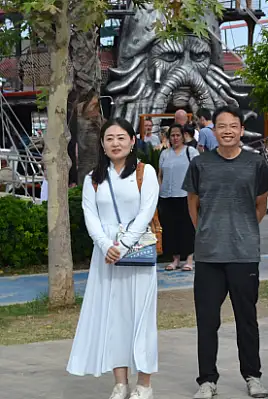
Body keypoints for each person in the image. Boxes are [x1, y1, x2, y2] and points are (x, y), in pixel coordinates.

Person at [183, 105, 268, 398]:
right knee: (207, 320)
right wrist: (208, 230)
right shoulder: (200, 164)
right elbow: (193, 203)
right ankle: (207, 380)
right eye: (221, 126)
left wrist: (244, 227)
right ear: (213, 130)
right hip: (209, 255)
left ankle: (253, 375)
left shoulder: (255, 163)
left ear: (240, 130)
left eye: (233, 126)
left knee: (246, 319)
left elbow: (261, 203)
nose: (227, 131)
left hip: (244, 253)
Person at [67, 118, 159, 399]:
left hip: (137, 253)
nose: (115, 143)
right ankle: (120, 382)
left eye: (121, 137)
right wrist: (106, 245)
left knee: (141, 317)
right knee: (113, 317)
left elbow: (147, 210)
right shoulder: (94, 178)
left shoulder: (146, 172)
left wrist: (125, 244)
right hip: (105, 256)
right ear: (103, 145)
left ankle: (144, 383)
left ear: (132, 141)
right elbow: (90, 215)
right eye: (109, 138)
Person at [158, 124, 200, 271]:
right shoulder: (164, 154)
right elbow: (160, 175)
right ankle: (174, 259)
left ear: (183, 136)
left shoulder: (191, 152)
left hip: (185, 196)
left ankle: (189, 259)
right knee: (170, 228)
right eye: (172, 135)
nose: (175, 138)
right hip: (167, 197)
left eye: (178, 135)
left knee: (187, 228)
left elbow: (198, 173)